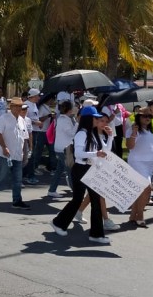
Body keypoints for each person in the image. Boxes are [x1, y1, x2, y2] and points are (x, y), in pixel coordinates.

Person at [50, 106, 110, 244]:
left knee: (94, 200)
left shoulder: (93, 134)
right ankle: (59, 223)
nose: (98, 120)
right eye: (95, 118)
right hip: (80, 169)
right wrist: (96, 154)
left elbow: (105, 150)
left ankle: (96, 234)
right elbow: (78, 154)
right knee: (77, 199)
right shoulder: (81, 134)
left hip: (90, 168)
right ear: (88, 119)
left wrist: (111, 136)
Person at [0, 97, 31, 209]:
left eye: (21, 106)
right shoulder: (4, 118)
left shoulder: (22, 120)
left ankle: (17, 201)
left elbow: (24, 138)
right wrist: (4, 147)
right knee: (1, 176)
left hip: (18, 154)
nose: (20, 108)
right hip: (5, 153)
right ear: (11, 107)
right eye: (17, 106)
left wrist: (24, 152)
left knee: (17, 179)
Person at [125, 107, 153, 227]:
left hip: (148, 164)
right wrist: (134, 134)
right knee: (147, 189)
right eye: (144, 116)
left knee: (140, 191)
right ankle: (140, 215)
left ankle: (132, 216)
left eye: (149, 117)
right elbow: (129, 146)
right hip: (137, 162)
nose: (147, 118)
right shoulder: (132, 129)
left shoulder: (151, 132)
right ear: (138, 117)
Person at [46, 100, 76, 199]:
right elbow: (71, 133)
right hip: (65, 148)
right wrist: (77, 124)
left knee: (59, 170)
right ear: (70, 110)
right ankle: (76, 191)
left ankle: (52, 190)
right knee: (71, 171)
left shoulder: (62, 118)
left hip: (60, 147)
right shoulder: (65, 120)